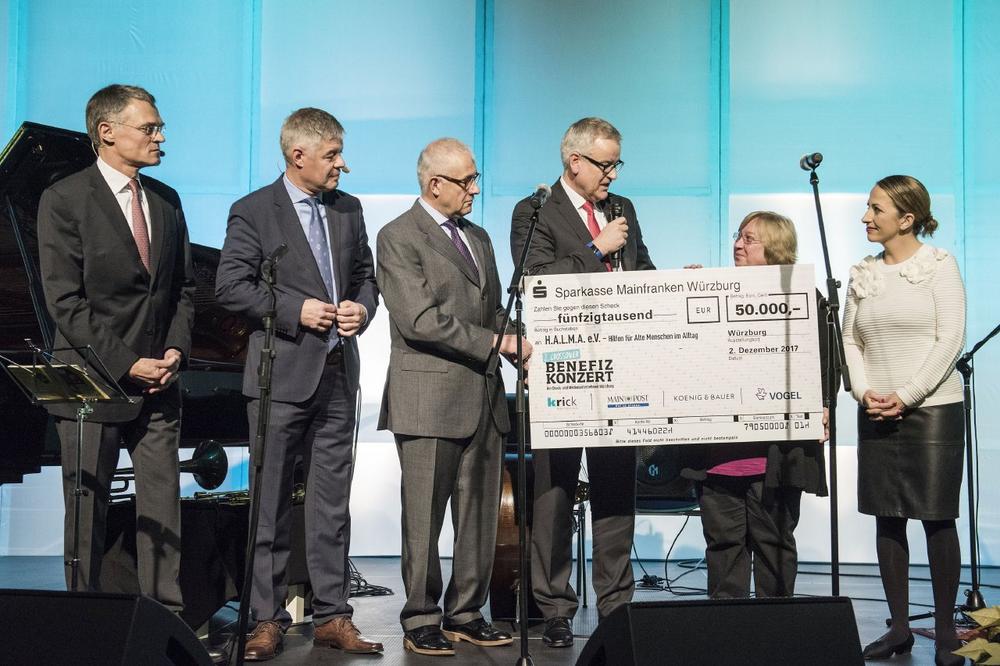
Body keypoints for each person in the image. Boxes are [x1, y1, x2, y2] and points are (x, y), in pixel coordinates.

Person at [215, 108, 381, 660]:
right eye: (332, 155)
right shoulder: (254, 211)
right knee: (269, 505)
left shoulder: (348, 208)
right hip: (279, 377)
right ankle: (265, 618)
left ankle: (333, 615)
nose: (342, 165)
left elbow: (366, 277)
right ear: (297, 155)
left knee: (332, 505)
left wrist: (362, 307)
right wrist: (295, 309)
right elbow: (230, 286)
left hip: (338, 374)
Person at [37, 84, 194, 608]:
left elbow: (183, 290)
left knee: (163, 510)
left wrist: (174, 353)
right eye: (150, 127)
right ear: (107, 132)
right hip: (90, 381)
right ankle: (86, 622)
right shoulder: (64, 198)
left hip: (160, 382)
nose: (160, 136)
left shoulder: (166, 200)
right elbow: (65, 301)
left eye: (159, 127)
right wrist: (128, 363)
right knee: (88, 511)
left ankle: (166, 619)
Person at [377, 138, 529, 656]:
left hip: (484, 395)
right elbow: (419, 320)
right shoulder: (398, 236)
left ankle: (466, 612)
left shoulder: (479, 237)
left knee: (480, 518)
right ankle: (421, 616)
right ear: (434, 183)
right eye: (466, 180)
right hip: (428, 399)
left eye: (475, 177)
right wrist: (496, 343)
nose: (475, 189)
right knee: (423, 520)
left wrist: (521, 342)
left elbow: (493, 312)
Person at [509, 117, 654, 647]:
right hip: (562, 370)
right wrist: (595, 249)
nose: (612, 174)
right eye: (605, 164)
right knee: (555, 492)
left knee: (617, 489)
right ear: (575, 162)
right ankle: (554, 605)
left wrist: (673, 287)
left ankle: (617, 603)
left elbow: (641, 270)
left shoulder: (624, 209)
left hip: (620, 371)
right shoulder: (534, 211)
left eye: (617, 164)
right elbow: (535, 282)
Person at [843, 176, 967, 666]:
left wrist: (908, 395)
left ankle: (946, 632)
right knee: (887, 516)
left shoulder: (938, 265)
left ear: (907, 218)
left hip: (932, 411)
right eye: (868, 207)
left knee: (937, 518)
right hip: (876, 408)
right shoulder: (863, 273)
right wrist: (862, 392)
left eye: (876, 209)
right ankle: (899, 628)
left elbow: (950, 338)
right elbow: (850, 340)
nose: (866, 217)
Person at [680, 211, 832, 599]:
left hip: (776, 459)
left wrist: (824, 407)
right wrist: (684, 292)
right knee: (723, 550)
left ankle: (774, 630)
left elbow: (824, 364)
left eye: (749, 239)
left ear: (776, 247)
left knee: (774, 547)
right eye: (738, 236)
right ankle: (729, 631)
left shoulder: (804, 297)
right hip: (718, 457)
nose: (738, 244)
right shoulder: (712, 292)